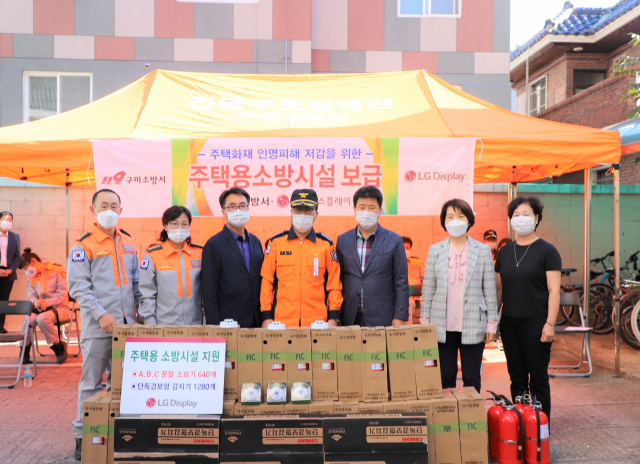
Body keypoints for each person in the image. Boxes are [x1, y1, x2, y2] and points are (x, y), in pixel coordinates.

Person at [68, 189, 140, 461]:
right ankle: (83, 436)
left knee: (123, 383)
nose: (109, 210)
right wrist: (101, 314)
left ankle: (120, 435)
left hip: (126, 326)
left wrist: (138, 315)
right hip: (97, 327)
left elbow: (136, 284)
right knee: (92, 383)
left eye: (114, 206)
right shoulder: (82, 245)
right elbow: (79, 287)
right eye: (104, 205)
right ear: (93, 210)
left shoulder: (129, 243)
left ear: (121, 210)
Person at [420, 199, 499, 393]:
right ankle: (447, 412)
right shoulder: (435, 250)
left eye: (461, 216)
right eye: (450, 216)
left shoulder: (482, 251)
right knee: (445, 377)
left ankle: (470, 413)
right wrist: (425, 321)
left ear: (469, 220)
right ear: (444, 221)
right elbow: (428, 288)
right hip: (442, 324)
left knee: (471, 378)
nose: (455, 221)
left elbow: (490, 290)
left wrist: (491, 324)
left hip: (473, 323)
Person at [495, 196, 560, 421]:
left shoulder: (547, 251)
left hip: (537, 323)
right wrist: (494, 320)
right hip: (509, 324)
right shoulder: (504, 252)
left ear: (537, 218)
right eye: (516, 215)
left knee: (538, 378)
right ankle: (522, 424)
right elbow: (499, 290)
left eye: (526, 214)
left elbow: (554, 290)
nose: (520, 219)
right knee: (517, 378)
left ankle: (540, 427)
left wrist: (550, 324)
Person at [260, 189, 342, 328]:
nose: (302, 215)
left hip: (318, 324)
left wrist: (334, 317)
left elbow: (334, 285)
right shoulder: (276, 243)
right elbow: (267, 281)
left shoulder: (326, 246)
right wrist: (266, 316)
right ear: (291, 212)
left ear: (316, 214)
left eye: (308, 210)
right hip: (281, 324)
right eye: (298, 210)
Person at [335, 186, 408, 327]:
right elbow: (338, 279)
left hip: (382, 316)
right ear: (354, 209)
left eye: (371, 207)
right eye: (362, 207)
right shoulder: (343, 240)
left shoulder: (395, 241)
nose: (366, 212)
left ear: (379, 211)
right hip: (350, 316)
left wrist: (400, 315)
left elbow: (401, 281)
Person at [202, 188, 264, 327]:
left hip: (256, 322)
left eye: (242, 205)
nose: (238, 210)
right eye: (232, 206)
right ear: (224, 212)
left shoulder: (256, 242)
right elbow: (209, 290)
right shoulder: (214, 244)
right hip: (227, 323)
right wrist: (215, 327)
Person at [139, 206, 204, 325]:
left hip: (196, 325)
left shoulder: (200, 253)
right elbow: (147, 294)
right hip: (164, 326)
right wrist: (151, 324)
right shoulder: (153, 255)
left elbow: (207, 291)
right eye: (174, 223)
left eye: (184, 224)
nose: (180, 228)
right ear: (165, 226)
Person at [17, 248, 70, 364]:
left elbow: (62, 293)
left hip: (59, 308)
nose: (26, 272)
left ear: (33, 262)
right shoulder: (32, 277)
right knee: (28, 319)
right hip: (40, 309)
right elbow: (31, 294)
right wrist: (36, 302)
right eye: (24, 270)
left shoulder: (57, 269)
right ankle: (24, 349)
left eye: (26, 268)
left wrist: (47, 303)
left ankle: (58, 347)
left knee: (42, 318)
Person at [0, 211, 20, 334]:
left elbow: (17, 256)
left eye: (10, 219)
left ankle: (0, 326)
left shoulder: (15, 237)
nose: (7, 221)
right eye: (5, 219)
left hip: (8, 274)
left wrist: (11, 269)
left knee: (4, 301)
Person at [403, 236, 424, 324]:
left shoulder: (417, 261)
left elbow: (425, 278)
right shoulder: (396, 263)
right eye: (403, 247)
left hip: (419, 294)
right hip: (405, 295)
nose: (406, 250)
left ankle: (425, 326)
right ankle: (409, 326)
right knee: (409, 303)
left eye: (407, 248)